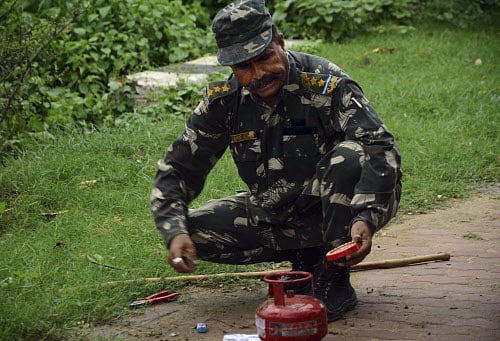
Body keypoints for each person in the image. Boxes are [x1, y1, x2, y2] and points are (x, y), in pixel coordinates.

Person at [150, 0, 402, 322]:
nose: (258, 75)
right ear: (232, 68)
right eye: (244, 67)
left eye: (265, 58)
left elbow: (379, 146)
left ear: (280, 42)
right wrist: (174, 230)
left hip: (339, 209)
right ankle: (305, 259)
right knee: (192, 232)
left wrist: (366, 214)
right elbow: (177, 170)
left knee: (349, 158)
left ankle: (333, 277)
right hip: (275, 211)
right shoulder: (223, 103)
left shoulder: (325, 83)